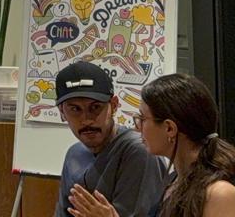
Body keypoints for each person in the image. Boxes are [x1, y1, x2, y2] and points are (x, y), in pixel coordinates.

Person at [70, 73, 235, 217]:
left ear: (169, 128)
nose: (137, 127)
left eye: (142, 119)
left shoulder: (219, 194)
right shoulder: (173, 181)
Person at [53, 60, 166, 217]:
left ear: (113, 105)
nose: (86, 120)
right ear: (62, 112)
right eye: (75, 109)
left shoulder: (138, 151)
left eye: (95, 107)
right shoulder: (74, 154)